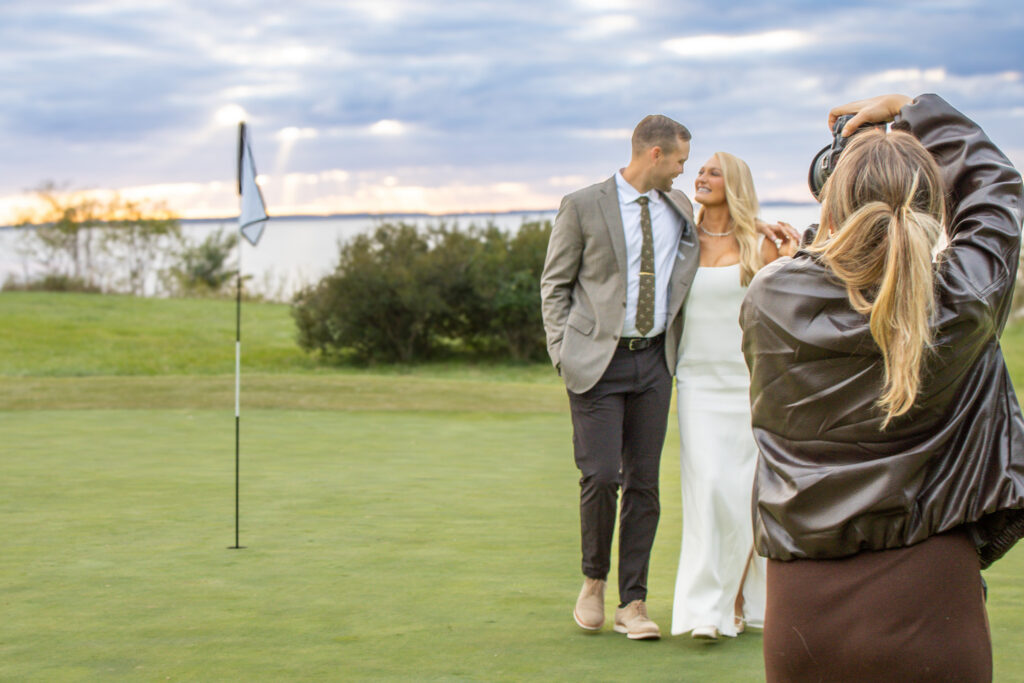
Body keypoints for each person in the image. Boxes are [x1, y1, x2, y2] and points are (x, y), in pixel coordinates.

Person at [740, 93, 1024, 682]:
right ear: (933, 207)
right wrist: (912, 107)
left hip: (802, 610)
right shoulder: (960, 302)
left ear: (832, 205)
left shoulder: (769, 299)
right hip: (934, 598)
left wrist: (853, 169)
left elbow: (829, 268)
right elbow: (997, 193)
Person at [541, 114, 698, 640]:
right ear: (654, 154)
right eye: (679, 160)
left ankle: (634, 602)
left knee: (644, 484)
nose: (682, 171)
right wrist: (563, 352)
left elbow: (710, 249)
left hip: (655, 362)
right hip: (595, 364)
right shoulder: (583, 205)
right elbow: (555, 285)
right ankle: (593, 583)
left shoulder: (680, 208)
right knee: (602, 476)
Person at [671, 151, 794, 641]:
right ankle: (704, 609)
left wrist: (789, 260)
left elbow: (788, 308)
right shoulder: (680, 243)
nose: (700, 177)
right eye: (699, 170)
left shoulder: (761, 244)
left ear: (734, 183)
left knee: (743, 494)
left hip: (749, 383)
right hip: (696, 382)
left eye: (712, 172)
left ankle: (737, 599)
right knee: (710, 489)